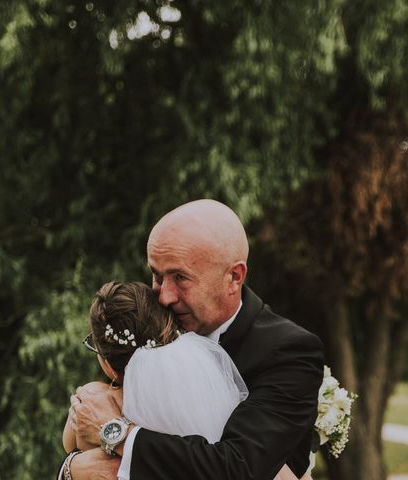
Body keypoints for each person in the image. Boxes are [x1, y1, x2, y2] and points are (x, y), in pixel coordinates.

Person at [68, 199, 324, 480]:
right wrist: (69, 471)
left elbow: (238, 468)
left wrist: (114, 433)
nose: (164, 296)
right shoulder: (143, 324)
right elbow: (84, 443)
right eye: (157, 275)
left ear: (234, 277)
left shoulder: (288, 351)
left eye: (180, 277)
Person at [60, 281, 301, 480]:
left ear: (108, 364)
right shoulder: (209, 391)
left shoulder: (94, 399)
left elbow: (70, 447)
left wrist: (70, 467)